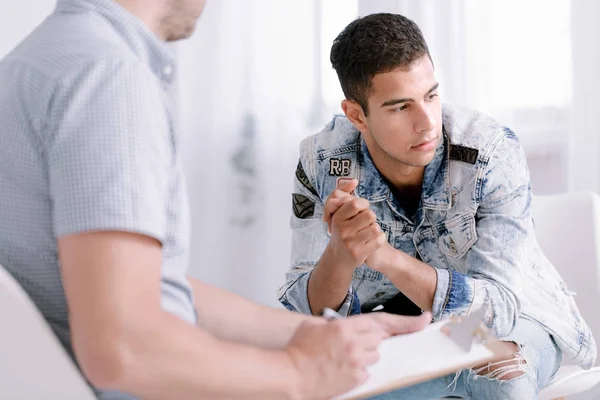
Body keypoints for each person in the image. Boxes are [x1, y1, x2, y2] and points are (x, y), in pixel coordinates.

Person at [0, 2, 432, 399]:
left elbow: (144, 287)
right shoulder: (109, 78)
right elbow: (123, 346)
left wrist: (318, 333)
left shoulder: (43, 58)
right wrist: (299, 372)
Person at [278, 12, 597, 399]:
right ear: (357, 115)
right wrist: (341, 253)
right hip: (406, 331)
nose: (427, 122)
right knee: (329, 383)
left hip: (504, 322)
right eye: (400, 107)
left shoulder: (491, 151)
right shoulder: (322, 161)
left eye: (431, 95)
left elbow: (496, 312)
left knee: (499, 375)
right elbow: (308, 317)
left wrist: (385, 257)